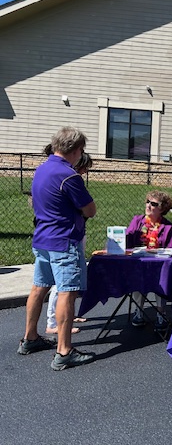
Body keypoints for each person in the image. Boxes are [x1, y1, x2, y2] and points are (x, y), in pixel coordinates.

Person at [19, 127, 96, 371]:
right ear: (76, 150)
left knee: (38, 288)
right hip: (64, 241)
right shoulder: (69, 176)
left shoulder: (41, 169)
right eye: (81, 150)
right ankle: (64, 351)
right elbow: (90, 210)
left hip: (42, 238)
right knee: (67, 293)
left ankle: (30, 337)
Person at [45, 152, 93, 335]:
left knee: (72, 282)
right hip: (64, 239)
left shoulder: (73, 181)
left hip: (76, 234)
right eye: (84, 167)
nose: (84, 171)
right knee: (62, 284)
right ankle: (53, 322)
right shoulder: (66, 180)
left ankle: (67, 315)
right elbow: (87, 209)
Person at [126, 190, 172, 331]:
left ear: (162, 209)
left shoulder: (168, 227)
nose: (148, 205)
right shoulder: (137, 221)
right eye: (147, 202)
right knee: (137, 276)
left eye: (154, 204)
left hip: (159, 266)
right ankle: (138, 311)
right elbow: (127, 240)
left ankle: (161, 313)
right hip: (138, 264)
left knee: (162, 276)